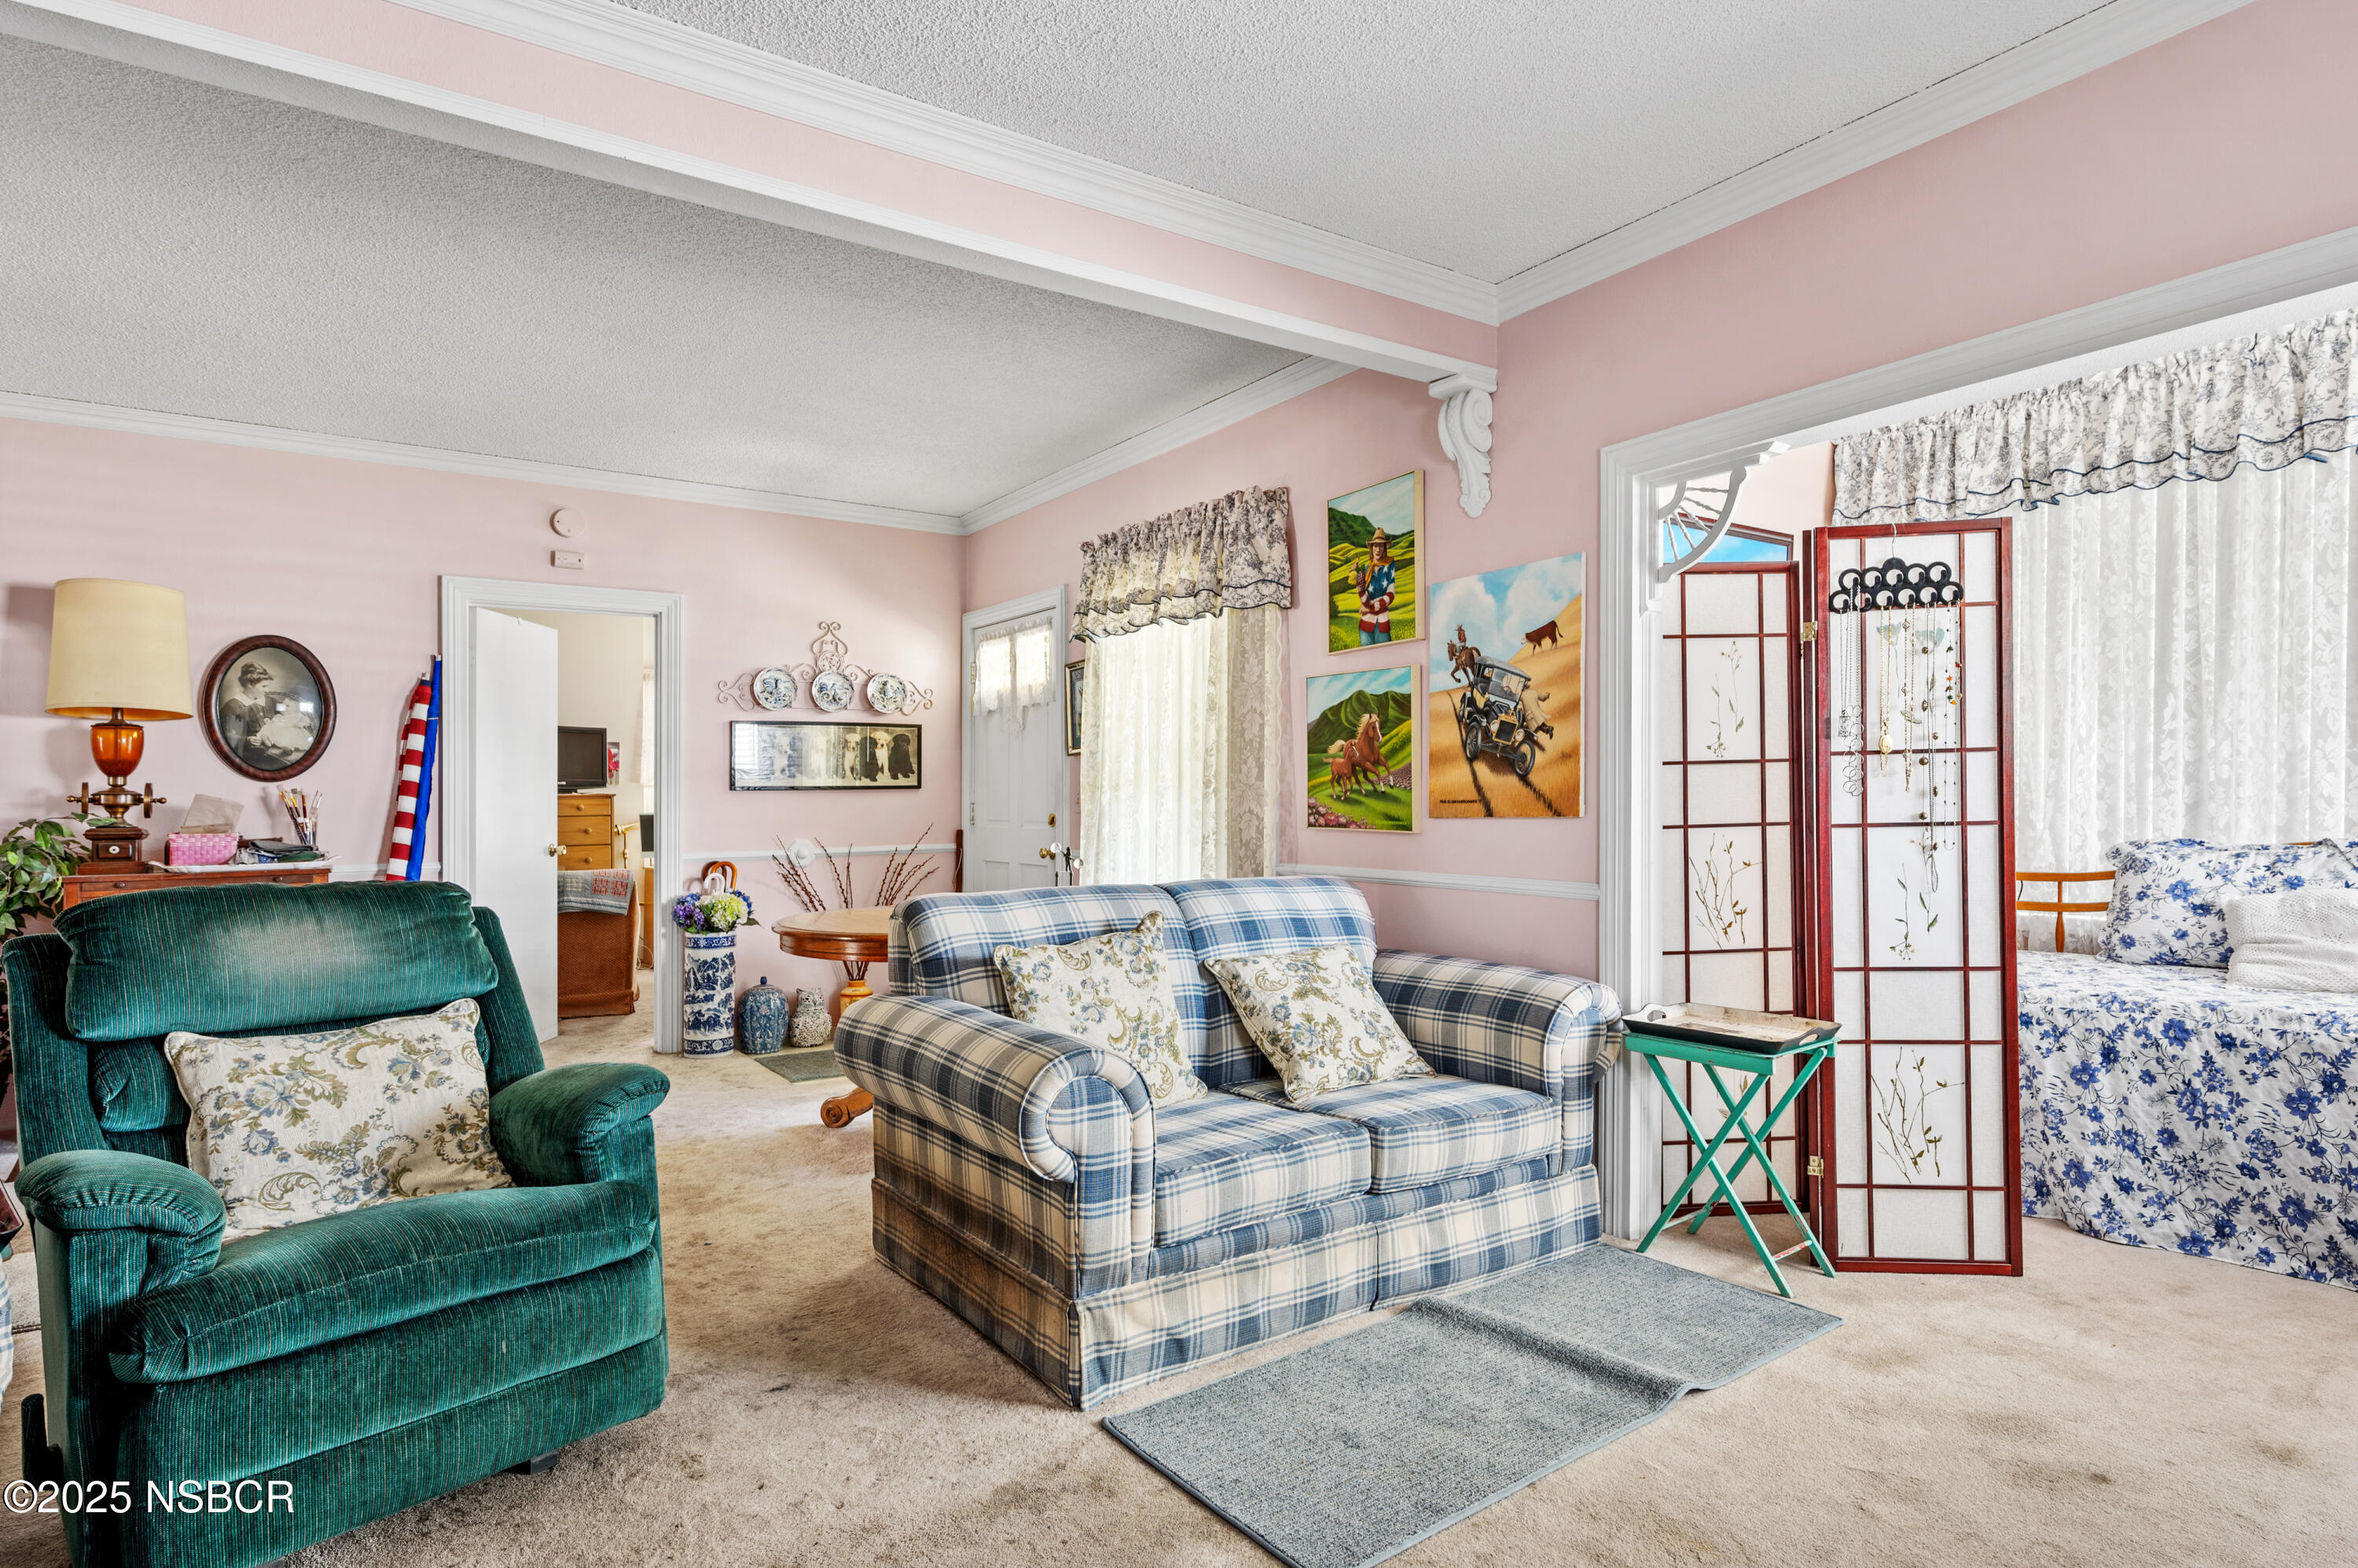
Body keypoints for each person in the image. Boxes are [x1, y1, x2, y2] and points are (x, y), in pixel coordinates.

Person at [1352, 530, 1397, 646]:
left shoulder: (1390, 565)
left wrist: (1369, 609)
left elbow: (1390, 595)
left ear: (1385, 548)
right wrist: (1358, 583)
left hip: (1382, 624)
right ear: (1371, 548)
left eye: (1381, 546)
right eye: (1375, 546)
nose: (1378, 549)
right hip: (1366, 624)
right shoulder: (1367, 569)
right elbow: (1365, 601)